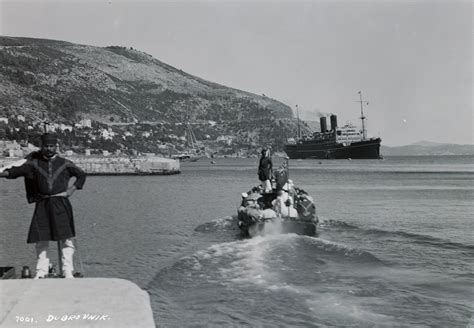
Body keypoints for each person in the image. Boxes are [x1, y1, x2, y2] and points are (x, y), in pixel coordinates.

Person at [0, 133, 86, 279]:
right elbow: (15, 172)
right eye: (46, 146)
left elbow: (81, 175)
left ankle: (67, 270)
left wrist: (71, 190)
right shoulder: (33, 164)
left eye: (51, 146)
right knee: (41, 238)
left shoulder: (65, 163)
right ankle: (41, 271)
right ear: (42, 146)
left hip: (61, 204)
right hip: (43, 204)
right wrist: (2, 174)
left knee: (66, 238)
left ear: (55, 146)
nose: (49, 149)